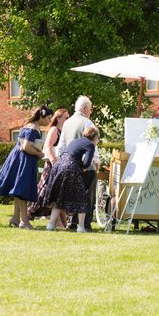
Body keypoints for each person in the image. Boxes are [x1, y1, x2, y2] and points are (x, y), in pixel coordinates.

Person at [0, 106, 54, 230]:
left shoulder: (28, 124)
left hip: (19, 159)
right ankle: (24, 221)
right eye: (48, 118)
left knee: (18, 191)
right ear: (41, 117)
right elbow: (26, 147)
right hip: (24, 160)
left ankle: (15, 218)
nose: (49, 121)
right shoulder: (33, 128)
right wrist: (39, 153)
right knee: (22, 191)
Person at [44, 126, 100, 233]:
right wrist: (83, 168)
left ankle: (50, 225)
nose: (98, 140)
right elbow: (87, 163)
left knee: (60, 197)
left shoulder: (77, 141)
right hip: (71, 167)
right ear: (95, 137)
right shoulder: (90, 145)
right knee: (81, 197)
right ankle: (81, 227)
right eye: (98, 138)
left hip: (59, 165)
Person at [56, 95, 99, 231]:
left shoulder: (67, 123)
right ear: (85, 108)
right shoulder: (87, 123)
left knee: (71, 193)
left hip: (69, 165)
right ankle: (85, 223)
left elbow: (60, 147)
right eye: (90, 109)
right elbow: (93, 145)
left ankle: (71, 222)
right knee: (88, 195)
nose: (90, 112)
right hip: (86, 166)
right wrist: (96, 163)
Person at [27, 107, 69, 225]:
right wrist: (53, 161)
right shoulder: (54, 130)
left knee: (57, 194)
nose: (68, 119)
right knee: (45, 192)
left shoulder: (64, 131)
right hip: (51, 165)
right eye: (66, 117)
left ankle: (62, 222)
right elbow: (48, 146)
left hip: (59, 165)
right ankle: (30, 212)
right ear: (59, 118)